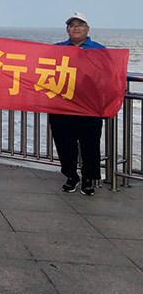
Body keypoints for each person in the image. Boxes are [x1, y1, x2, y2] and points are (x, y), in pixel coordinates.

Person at [49, 12, 107, 196]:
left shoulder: (99, 50)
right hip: (62, 105)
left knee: (90, 143)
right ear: (67, 29)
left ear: (87, 28)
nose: (76, 28)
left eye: (80, 24)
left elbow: (107, 78)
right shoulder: (57, 49)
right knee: (64, 143)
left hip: (89, 107)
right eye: (72, 25)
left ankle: (89, 178)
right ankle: (71, 175)